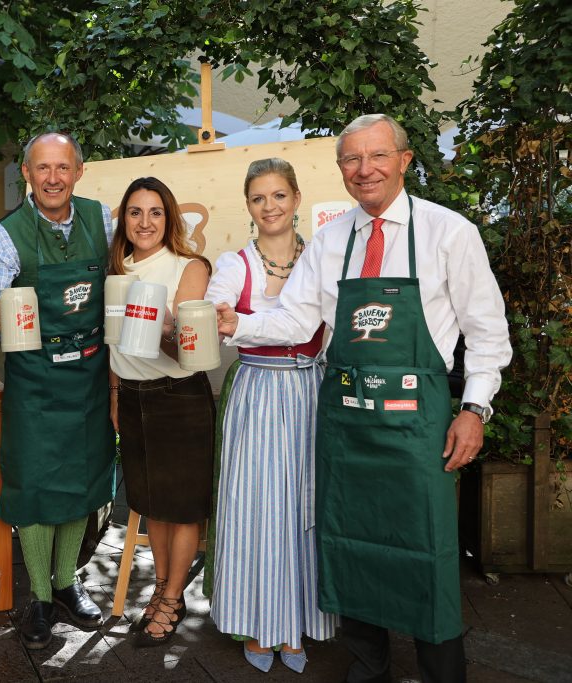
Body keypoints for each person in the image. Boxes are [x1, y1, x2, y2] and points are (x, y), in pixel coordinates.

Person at [216, 114, 511, 683]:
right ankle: (367, 668)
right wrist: (239, 323)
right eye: (351, 159)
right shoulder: (330, 240)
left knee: (426, 548)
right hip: (346, 422)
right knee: (351, 544)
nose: (363, 169)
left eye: (376, 156)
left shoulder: (449, 232)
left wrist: (474, 409)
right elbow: (299, 318)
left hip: (417, 423)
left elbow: (488, 333)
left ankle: (441, 673)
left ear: (404, 160)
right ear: (340, 171)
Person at [0, 132, 116, 649]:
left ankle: (66, 582)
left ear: (79, 171)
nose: (53, 178)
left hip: (87, 376)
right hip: (33, 380)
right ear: (28, 174)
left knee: (80, 479)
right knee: (34, 484)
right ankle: (37, 594)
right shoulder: (4, 235)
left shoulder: (103, 221)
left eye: (63, 168)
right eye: (42, 169)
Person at [204, 159, 336, 673]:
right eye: (259, 198)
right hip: (258, 387)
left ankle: (299, 620)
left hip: (311, 387)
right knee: (257, 507)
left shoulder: (321, 257)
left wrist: (248, 321)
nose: (270, 207)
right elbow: (216, 320)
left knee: (306, 504)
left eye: (279, 195)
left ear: (297, 199)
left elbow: (324, 325)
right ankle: (259, 623)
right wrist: (249, 325)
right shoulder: (235, 264)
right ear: (249, 207)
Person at [107, 177, 214, 646]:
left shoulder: (188, 266)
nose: (145, 222)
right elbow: (114, 346)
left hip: (178, 397)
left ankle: (171, 597)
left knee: (183, 507)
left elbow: (187, 352)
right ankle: (161, 591)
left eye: (155, 212)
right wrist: (114, 393)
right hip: (131, 398)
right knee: (153, 506)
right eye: (135, 212)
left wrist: (162, 325)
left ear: (169, 218)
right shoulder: (115, 270)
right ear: (123, 221)